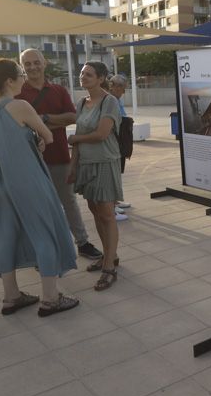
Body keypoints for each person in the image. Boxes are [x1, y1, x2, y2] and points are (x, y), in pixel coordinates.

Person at [0, 59, 79, 317]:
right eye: (21, 74)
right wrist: (37, 140)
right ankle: (50, 298)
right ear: (10, 80)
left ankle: (11, 296)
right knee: (44, 230)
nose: (24, 78)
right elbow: (48, 135)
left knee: (4, 234)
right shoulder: (18, 105)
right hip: (25, 178)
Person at [16, 49, 105, 261]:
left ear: (44, 63)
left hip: (59, 156)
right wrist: (56, 120)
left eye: (36, 62)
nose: (32, 67)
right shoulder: (17, 92)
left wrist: (41, 118)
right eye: (27, 64)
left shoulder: (58, 90)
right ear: (21, 66)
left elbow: (73, 117)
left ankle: (82, 242)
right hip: (29, 160)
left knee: (69, 202)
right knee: (36, 205)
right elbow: (16, 122)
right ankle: (42, 250)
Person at [69, 61, 122, 291]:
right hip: (86, 164)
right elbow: (80, 132)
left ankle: (109, 266)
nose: (84, 77)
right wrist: (73, 165)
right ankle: (109, 255)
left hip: (104, 162)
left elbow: (101, 134)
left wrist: (75, 140)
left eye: (89, 74)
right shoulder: (82, 103)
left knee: (107, 214)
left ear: (101, 79)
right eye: (82, 73)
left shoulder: (110, 101)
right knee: (96, 212)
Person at [109, 74, 131, 221]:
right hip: (114, 141)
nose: (123, 91)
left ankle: (115, 202)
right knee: (113, 173)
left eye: (124, 88)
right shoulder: (111, 101)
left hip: (120, 140)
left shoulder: (117, 100)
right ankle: (111, 206)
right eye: (122, 87)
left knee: (118, 172)